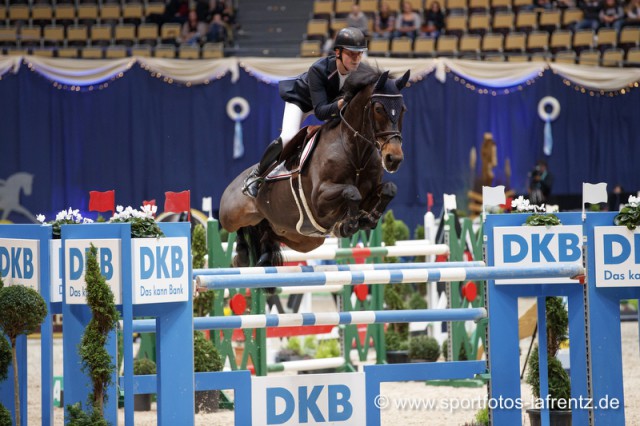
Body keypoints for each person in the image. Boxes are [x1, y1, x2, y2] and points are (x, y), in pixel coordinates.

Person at [242, 27, 368, 198]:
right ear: (337, 52)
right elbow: (321, 112)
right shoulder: (319, 69)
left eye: (359, 54)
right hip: (301, 102)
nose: (356, 59)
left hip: (330, 105)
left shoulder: (360, 72)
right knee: (287, 138)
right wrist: (343, 103)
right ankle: (256, 176)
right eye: (351, 54)